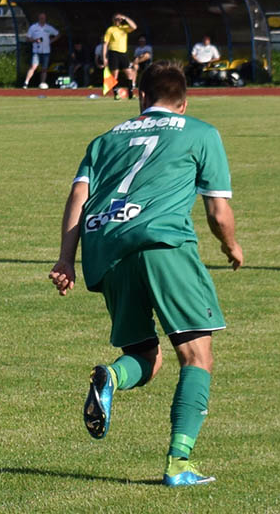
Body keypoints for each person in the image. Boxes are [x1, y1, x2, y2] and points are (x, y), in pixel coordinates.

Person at [48, 61, 243, 487]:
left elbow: (79, 193)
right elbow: (217, 211)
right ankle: (178, 463)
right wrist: (231, 247)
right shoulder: (201, 133)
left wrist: (66, 259)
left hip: (106, 249)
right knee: (196, 356)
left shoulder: (105, 140)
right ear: (184, 102)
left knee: (146, 357)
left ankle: (112, 376)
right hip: (161, 245)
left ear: (140, 97)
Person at [102, 13, 137, 99]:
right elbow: (105, 44)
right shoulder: (110, 29)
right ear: (113, 20)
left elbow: (134, 27)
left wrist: (125, 17)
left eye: (119, 19)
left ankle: (131, 94)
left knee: (129, 74)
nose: (118, 21)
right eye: (116, 19)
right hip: (114, 53)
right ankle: (116, 94)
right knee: (115, 75)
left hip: (123, 54)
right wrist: (104, 57)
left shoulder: (124, 28)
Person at [23, 12, 60, 89]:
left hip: (46, 51)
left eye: (43, 18)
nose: (42, 19)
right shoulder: (33, 27)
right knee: (34, 66)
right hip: (36, 51)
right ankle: (26, 83)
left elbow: (58, 34)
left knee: (44, 68)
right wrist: (35, 40)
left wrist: (51, 41)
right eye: (41, 18)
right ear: (38, 18)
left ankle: (42, 83)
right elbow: (27, 38)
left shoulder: (48, 27)